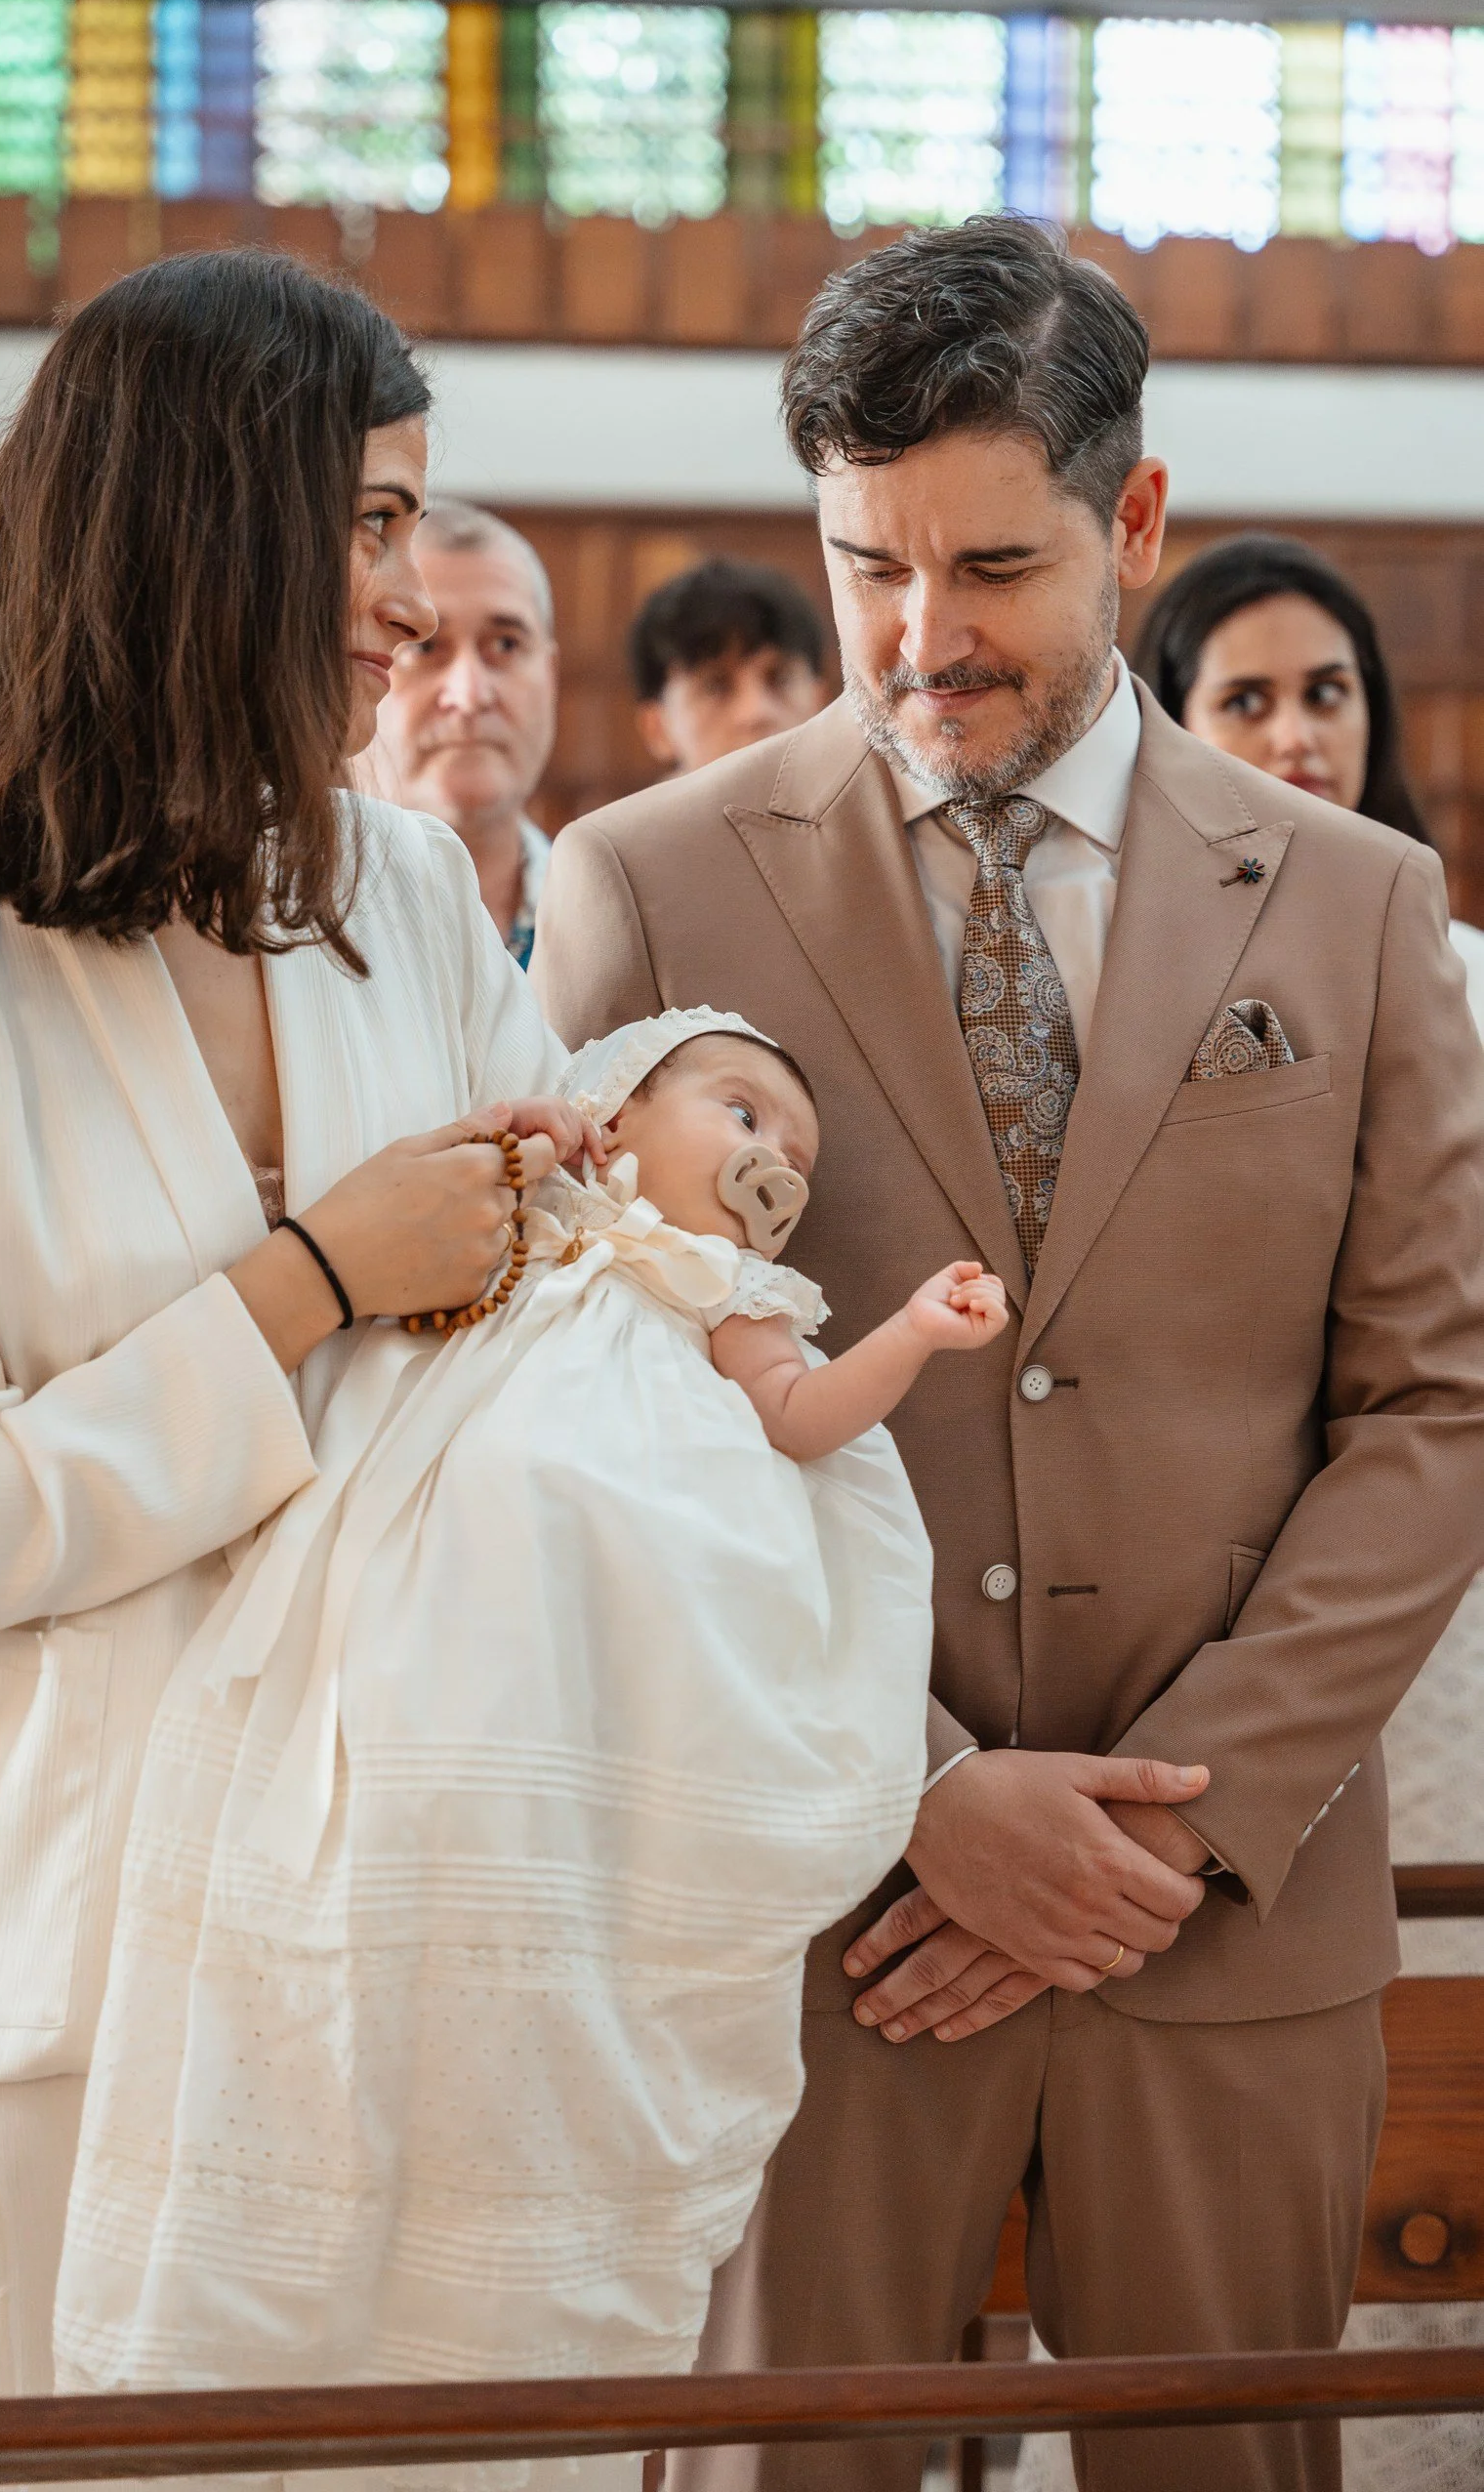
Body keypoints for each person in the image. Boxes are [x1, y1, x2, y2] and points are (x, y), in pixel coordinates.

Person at [533, 214, 1484, 2492]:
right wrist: (921, 1792)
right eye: (864, 563)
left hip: (1226, 1923)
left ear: (1131, 522)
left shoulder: (1353, 906)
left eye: (988, 569)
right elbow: (591, 1413)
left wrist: (1177, 1823)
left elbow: (1432, 1407)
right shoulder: (638, 881)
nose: (913, 639)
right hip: (813, 1918)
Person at [0, 248, 569, 2401]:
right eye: (364, 523)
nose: (414, 602)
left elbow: (550, 1306)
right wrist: (313, 1274)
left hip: (412, 1917)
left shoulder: (406, 892)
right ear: (199, 526)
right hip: (86, 1946)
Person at [55, 1007, 1038, 2468]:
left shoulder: (728, 1294)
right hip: (428, 1611)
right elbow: (432, 1207)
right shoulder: (517, 1206)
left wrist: (909, 1329)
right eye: (741, 1112)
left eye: (796, 1152)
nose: (773, 1159)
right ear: (617, 1111)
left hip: (612, 1647)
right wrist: (537, 1135)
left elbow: (804, 1418)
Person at [1134, 531, 1484, 2492]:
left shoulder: (1457, 973)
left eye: (1326, 689)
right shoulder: (1127, 990)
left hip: (1444, 1600)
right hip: (1225, 1618)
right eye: (1244, 697)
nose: (1294, 731)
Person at [362, 497, 559, 966]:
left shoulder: (624, 926)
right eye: (426, 647)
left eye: (506, 645)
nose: (469, 696)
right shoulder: (274, 935)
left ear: (551, 675)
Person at [631, 558, 828, 776]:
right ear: (657, 729)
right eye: (715, 687)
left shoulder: (863, 807)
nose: (757, 712)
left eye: (781, 679)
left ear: (820, 703)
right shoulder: (626, 813)